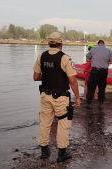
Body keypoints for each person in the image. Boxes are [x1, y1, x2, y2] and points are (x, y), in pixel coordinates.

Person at [33, 32, 81, 162]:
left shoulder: (41, 56)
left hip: (45, 95)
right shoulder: (65, 58)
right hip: (61, 97)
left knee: (45, 123)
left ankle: (44, 150)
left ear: (49, 43)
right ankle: (61, 153)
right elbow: (73, 81)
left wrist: (48, 76)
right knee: (63, 123)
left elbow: (36, 77)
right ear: (61, 44)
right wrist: (77, 97)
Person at [85, 40, 112, 110]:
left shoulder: (93, 49)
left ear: (97, 44)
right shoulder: (109, 50)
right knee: (102, 88)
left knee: (91, 88)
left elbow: (87, 59)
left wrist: (94, 60)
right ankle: (101, 104)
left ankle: (89, 104)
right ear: (104, 44)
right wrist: (105, 61)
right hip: (104, 72)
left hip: (95, 71)